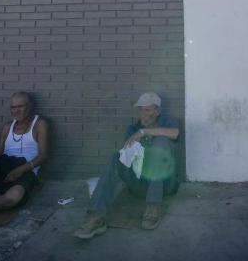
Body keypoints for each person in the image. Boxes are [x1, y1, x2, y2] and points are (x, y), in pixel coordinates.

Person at [75, 92, 180, 239]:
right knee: (115, 157)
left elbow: (175, 133)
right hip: (139, 185)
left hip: (164, 186)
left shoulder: (167, 123)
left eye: (147, 110)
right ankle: (95, 216)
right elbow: (126, 158)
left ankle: (153, 207)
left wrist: (143, 132)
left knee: (161, 142)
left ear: (158, 111)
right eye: (140, 110)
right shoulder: (133, 129)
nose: (143, 114)